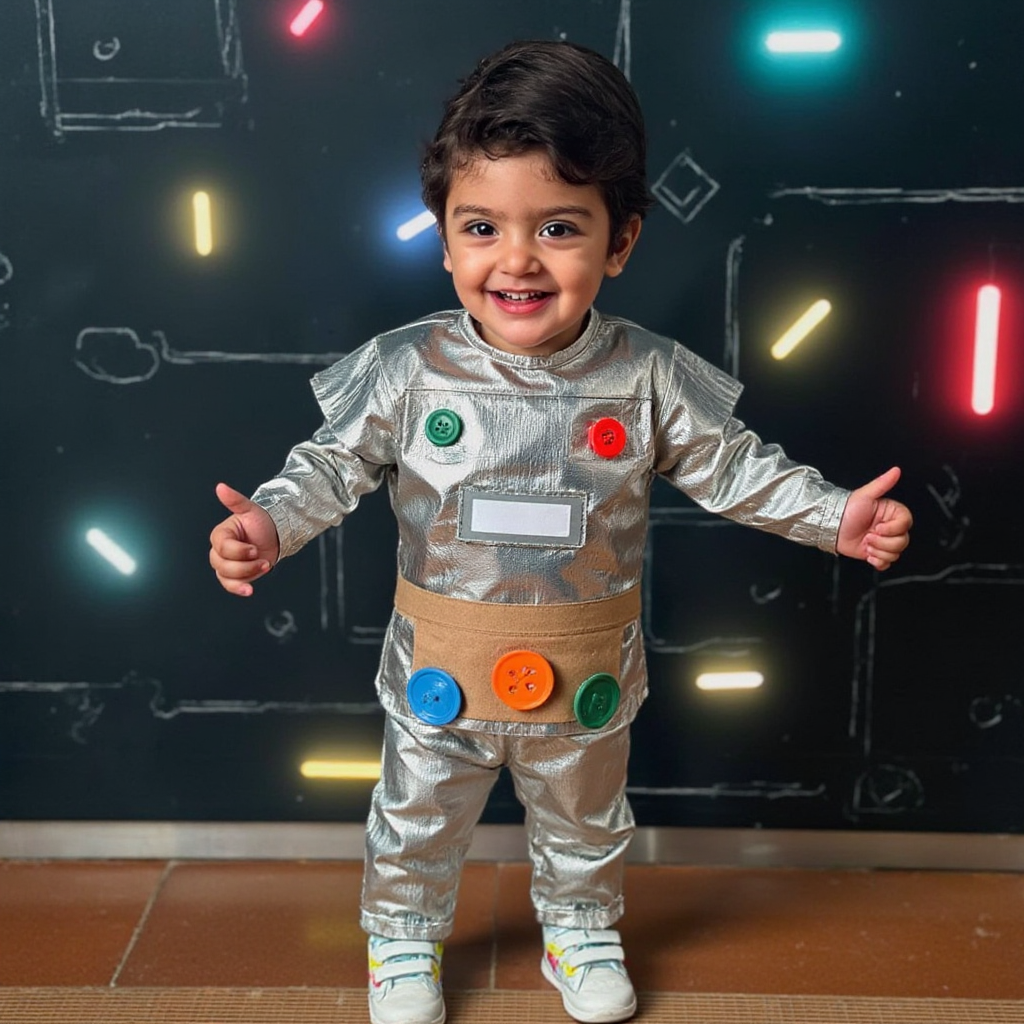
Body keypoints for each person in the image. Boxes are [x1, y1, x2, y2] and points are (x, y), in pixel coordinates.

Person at [208, 38, 912, 1024]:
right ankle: (403, 940)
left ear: (619, 241)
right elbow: (331, 464)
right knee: (414, 822)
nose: (517, 260)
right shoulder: (408, 373)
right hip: (439, 671)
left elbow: (737, 468)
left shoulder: (650, 376)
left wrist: (834, 515)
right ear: (445, 239)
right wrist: (272, 525)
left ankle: (579, 929)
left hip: (583, 670)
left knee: (584, 820)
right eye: (483, 226)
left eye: (560, 227)